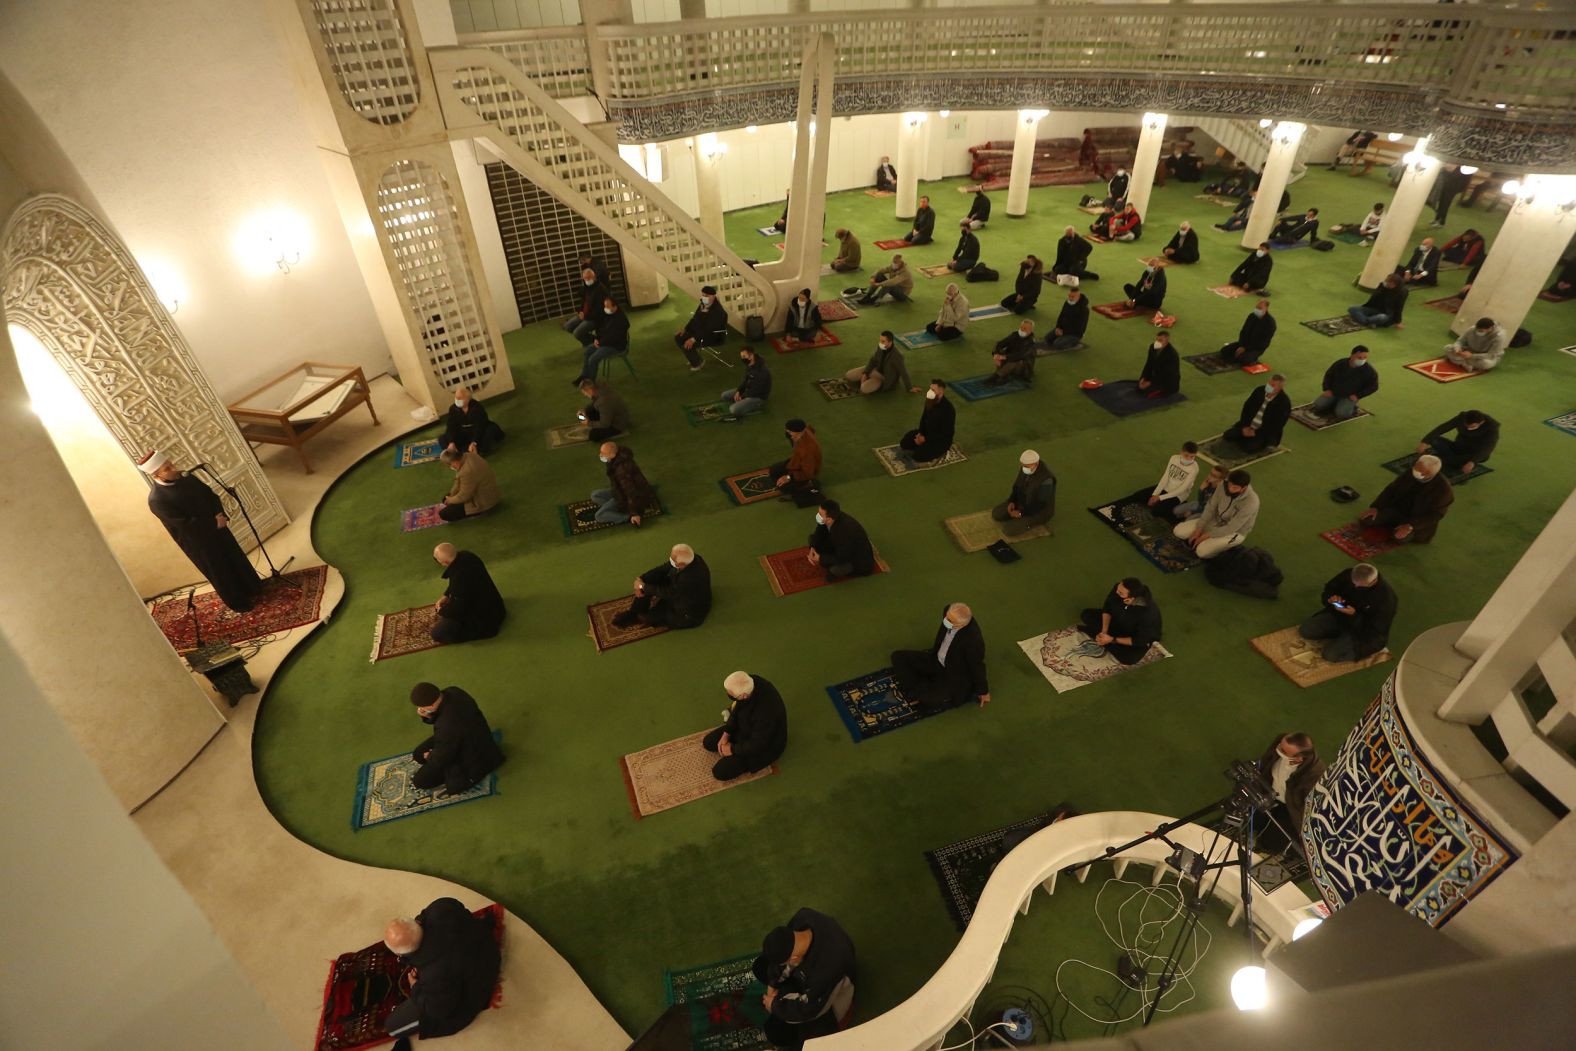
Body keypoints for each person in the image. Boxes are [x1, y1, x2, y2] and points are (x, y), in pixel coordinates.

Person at [138, 450, 262, 612]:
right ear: (156, 475)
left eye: (170, 464)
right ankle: (238, 603)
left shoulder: (187, 478)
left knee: (235, 557)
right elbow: (183, 524)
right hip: (198, 541)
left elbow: (211, 496)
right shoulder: (157, 499)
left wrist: (220, 515)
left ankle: (253, 587)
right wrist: (213, 523)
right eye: (167, 468)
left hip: (219, 526)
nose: (173, 468)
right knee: (219, 571)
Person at [381, 897, 502, 1047]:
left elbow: (439, 1010)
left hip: (480, 977)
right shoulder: (442, 906)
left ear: (401, 955)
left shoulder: (434, 977)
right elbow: (430, 915)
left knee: (392, 1026)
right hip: (485, 945)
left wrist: (415, 988)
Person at [753, 908, 856, 1050]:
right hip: (809, 978)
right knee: (761, 966)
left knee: (776, 1031)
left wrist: (775, 1005)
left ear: (793, 958)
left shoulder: (827, 969)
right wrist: (772, 984)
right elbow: (784, 961)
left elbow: (808, 1009)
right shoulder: (804, 917)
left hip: (827, 1002)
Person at [406, 681, 504, 797]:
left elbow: (441, 758)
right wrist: (428, 716)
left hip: (474, 759)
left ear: (431, 706)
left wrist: (430, 756)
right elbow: (445, 723)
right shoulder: (453, 691)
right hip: (471, 737)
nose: (420, 709)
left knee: (420, 781)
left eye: (422, 707)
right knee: (418, 754)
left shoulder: (446, 726)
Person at [891, 603, 989, 711]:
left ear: (962, 625)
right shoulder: (949, 611)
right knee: (898, 657)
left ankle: (922, 687)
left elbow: (977, 666)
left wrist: (983, 691)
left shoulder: (973, 641)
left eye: (951, 621)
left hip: (952, 673)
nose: (946, 621)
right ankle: (920, 687)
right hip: (935, 659)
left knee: (930, 701)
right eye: (947, 617)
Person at [1299, 563, 1398, 663]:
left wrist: (1354, 615)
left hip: (1364, 633)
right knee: (1306, 630)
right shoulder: (1348, 575)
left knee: (1330, 655)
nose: (1355, 586)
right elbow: (1329, 589)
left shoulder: (1386, 600)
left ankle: (1348, 642)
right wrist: (1331, 599)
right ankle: (1341, 637)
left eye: (1359, 585)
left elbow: (1374, 630)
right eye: (1353, 582)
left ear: (1371, 582)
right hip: (1340, 616)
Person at [703, 671, 788, 781]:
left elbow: (758, 744)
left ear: (744, 696)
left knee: (720, 772)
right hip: (747, 727)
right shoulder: (750, 682)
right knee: (709, 742)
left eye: (730, 694)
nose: (728, 694)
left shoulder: (765, 713)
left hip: (765, 747)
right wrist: (726, 734)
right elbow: (737, 709)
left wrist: (732, 749)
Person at [1253, 733, 1327, 854]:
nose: (1278, 749)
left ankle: (1263, 848)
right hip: (1269, 794)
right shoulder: (1281, 743)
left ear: (1299, 758)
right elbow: (1267, 760)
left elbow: (1307, 805)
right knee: (1252, 818)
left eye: (1283, 751)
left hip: (1291, 808)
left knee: (1273, 840)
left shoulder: (1315, 775)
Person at [614, 544, 712, 629]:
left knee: (650, 618)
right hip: (678, 591)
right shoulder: (690, 558)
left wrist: (643, 587)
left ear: (681, 564)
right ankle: (635, 611)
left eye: (673, 560)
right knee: (650, 579)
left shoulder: (689, 578)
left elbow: (669, 593)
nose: (671, 561)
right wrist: (641, 580)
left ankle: (645, 615)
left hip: (689, 612)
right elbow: (663, 568)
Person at [1361, 453, 1454, 543]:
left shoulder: (1443, 489)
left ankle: (1399, 527)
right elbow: (1391, 490)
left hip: (1415, 520)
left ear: (1430, 474)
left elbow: (1436, 515)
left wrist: (1411, 526)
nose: (1415, 471)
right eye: (1416, 466)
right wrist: (1376, 507)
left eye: (1420, 470)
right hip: (1396, 509)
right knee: (1367, 520)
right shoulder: (1411, 472)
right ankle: (1394, 524)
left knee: (1399, 538)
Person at [430, 544, 505, 645]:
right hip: (495, 605)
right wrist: (446, 595)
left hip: (486, 619)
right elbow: (456, 586)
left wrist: (440, 610)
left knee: (437, 633)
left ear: (446, 562)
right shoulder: (468, 556)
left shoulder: (460, 578)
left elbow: (457, 611)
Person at [1173, 469, 1258, 558]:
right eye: (1229, 484)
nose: (1230, 489)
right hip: (1216, 520)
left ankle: (1227, 547)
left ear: (1244, 488)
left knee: (1201, 551)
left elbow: (1232, 527)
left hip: (1235, 532)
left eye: (1235, 487)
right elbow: (1210, 507)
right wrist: (1199, 529)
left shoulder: (1251, 502)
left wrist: (1205, 536)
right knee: (1179, 531)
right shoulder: (1222, 485)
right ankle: (1210, 540)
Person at [1075, 578, 1163, 665]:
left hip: (1133, 635)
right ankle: (1104, 638)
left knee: (1129, 659)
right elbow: (1107, 608)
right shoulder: (1118, 590)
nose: (1116, 593)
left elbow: (1139, 639)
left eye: (1120, 593)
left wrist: (1111, 639)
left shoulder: (1147, 613)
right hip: (1117, 622)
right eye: (1117, 589)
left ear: (1132, 598)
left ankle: (1102, 638)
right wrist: (1103, 631)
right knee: (1086, 615)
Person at [807, 500, 875, 580]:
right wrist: (812, 547)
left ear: (829, 519)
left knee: (835, 570)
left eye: (821, 515)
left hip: (855, 559)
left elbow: (842, 557)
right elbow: (818, 533)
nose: (818, 516)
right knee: (812, 539)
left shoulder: (843, 532)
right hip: (840, 546)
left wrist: (820, 558)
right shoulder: (830, 518)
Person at [1221, 374, 1291, 452]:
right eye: (1269, 383)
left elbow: (1277, 425)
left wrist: (1256, 432)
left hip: (1264, 432)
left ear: (1280, 388)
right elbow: (1246, 409)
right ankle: (1246, 437)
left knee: (1249, 448)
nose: (1269, 386)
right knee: (1228, 435)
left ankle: (1263, 442)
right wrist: (1245, 426)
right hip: (1248, 425)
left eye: (1273, 385)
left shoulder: (1283, 402)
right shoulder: (1259, 391)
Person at [592, 441, 655, 527]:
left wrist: (634, 513)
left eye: (603, 453)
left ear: (611, 454)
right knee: (595, 495)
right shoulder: (615, 459)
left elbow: (630, 492)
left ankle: (627, 516)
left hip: (630, 497)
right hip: (619, 492)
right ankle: (616, 508)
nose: (600, 455)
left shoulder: (622, 471)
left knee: (599, 516)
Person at [1418, 409, 1499, 476]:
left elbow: (1488, 447)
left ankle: (1448, 461)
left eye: (1472, 427)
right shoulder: (1462, 417)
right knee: (1434, 440)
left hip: (1472, 454)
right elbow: (1443, 427)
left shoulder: (1492, 428)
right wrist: (1424, 442)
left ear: (1481, 423)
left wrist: (1473, 462)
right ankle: (1453, 461)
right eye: (1466, 426)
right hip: (1458, 446)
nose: (1468, 429)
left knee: (1449, 461)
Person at [993, 449, 1057, 534]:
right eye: (1023, 465)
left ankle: (1031, 522)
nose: (1024, 468)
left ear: (1036, 463)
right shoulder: (1027, 468)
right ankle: (1018, 516)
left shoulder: (1047, 479)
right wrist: (1012, 501)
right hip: (1022, 503)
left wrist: (1021, 513)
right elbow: (1016, 486)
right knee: (997, 514)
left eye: (1026, 466)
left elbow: (1040, 504)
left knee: (1008, 530)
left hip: (1037, 511)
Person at [1134, 441, 1199, 519]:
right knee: (1138, 496)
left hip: (1179, 495)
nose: (1189, 459)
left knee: (1156, 511)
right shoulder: (1174, 458)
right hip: (1166, 488)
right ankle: (1167, 504)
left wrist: (1159, 498)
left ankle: (1182, 507)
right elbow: (1165, 476)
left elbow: (1182, 489)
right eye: (1186, 455)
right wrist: (1155, 494)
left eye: (1192, 457)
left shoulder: (1194, 469)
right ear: (1181, 452)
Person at [573, 295, 630, 383]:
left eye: (607, 306)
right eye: (604, 306)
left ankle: (590, 382)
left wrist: (600, 342)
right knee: (588, 352)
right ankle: (584, 376)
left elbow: (614, 338)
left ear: (615, 307)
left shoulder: (621, 320)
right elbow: (602, 330)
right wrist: (597, 339)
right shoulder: (608, 315)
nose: (605, 308)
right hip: (605, 343)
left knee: (593, 359)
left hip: (616, 346)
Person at [1311, 346, 1379, 419]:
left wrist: (1358, 395)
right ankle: (1337, 404)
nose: (1362, 360)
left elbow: (1374, 386)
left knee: (1342, 414)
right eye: (1359, 357)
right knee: (1318, 405)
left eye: (1365, 358)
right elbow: (1329, 375)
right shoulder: (1340, 363)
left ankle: (1353, 408)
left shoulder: (1369, 371)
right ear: (1352, 355)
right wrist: (1327, 389)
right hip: (1334, 392)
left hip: (1349, 397)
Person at [674, 285, 729, 370]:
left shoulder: (718, 311)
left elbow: (709, 330)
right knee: (679, 337)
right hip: (700, 331)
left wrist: (693, 339)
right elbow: (694, 318)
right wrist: (685, 329)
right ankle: (693, 357)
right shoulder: (703, 304)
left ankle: (698, 363)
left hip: (713, 336)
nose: (704, 297)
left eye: (706, 296)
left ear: (713, 296)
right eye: (703, 295)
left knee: (687, 342)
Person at [843, 331, 917, 395]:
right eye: (880, 340)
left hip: (882, 377)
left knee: (864, 389)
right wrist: (865, 373)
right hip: (874, 370)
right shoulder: (881, 347)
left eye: (883, 341)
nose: (880, 343)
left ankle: (870, 380)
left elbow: (903, 372)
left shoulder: (897, 356)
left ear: (890, 342)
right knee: (849, 375)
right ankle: (868, 377)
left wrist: (909, 388)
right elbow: (873, 360)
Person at [438, 447, 499, 522]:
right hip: (484, 492)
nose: (449, 467)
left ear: (455, 463)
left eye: (448, 465)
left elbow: (464, 496)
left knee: (444, 514)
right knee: (445, 498)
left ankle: (478, 512)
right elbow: (458, 481)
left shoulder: (467, 471)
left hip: (483, 502)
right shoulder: (468, 456)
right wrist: (451, 495)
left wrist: (451, 500)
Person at [900, 379, 956, 462]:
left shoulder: (948, 409)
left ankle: (924, 448)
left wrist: (925, 439)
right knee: (905, 442)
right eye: (930, 389)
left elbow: (946, 433)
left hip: (940, 440)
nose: (930, 392)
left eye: (933, 390)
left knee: (919, 455)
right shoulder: (930, 401)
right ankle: (922, 446)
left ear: (941, 391)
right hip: (927, 434)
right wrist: (920, 434)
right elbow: (923, 419)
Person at [771, 418, 822, 502]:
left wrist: (788, 477)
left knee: (784, 487)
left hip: (805, 471)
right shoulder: (804, 430)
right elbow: (811, 429)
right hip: (797, 461)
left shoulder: (807, 451)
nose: (787, 432)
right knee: (774, 470)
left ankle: (805, 486)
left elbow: (808, 473)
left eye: (790, 431)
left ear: (798, 432)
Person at [441, 386, 498, 455]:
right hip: (463, 432)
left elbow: (480, 426)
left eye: (460, 398)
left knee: (489, 431)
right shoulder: (453, 409)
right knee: (442, 438)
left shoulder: (477, 407)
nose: (457, 400)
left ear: (467, 399)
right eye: (456, 397)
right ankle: (458, 451)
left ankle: (473, 449)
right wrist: (451, 442)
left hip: (476, 432)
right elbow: (450, 426)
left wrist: (474, 442)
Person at [1218, 299, 1276, 365]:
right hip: (1244, 343)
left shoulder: (1270, 323)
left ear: (1266, 309)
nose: (1257, 310)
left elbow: (1263, 342)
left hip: (1256, 348)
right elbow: (1243, 331)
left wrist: (1245, 348)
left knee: (1244, 359)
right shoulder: (1252, 316)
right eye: (1256, 307)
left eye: (1260, 308)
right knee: (1224, 350)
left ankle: (1253, 358)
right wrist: (1242, 345)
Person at [721, 346, 772, 417]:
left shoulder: (762, 371)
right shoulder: (749, 365)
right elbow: (745, 380)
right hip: (749, 390)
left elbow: (757, 390)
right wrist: (739, 391)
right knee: (724, 396)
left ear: (751, 356)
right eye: (741, 356)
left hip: (758, 397)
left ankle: (758, 406)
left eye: (744, 356)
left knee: (733, 409)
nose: (742, 359)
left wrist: (743, 396)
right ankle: (744, 403)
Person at [1444, 316, 1508, 372]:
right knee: (1448, 348)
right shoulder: (1473, 329)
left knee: (1486, 363)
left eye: (1481, 331)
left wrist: (1472, 356)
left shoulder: (1499, 336)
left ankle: (1459, 361)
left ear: (1490, 329)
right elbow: (1460, 341)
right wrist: (1457, 348)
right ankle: (1465, 363)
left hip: (1484, 357)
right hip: (1469, 350)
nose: (1478, 332)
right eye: (1477, 330)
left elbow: (1491, 355)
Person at [563, 266, 608, 344]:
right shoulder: (587, 287)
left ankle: (595, 342)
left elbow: (600, 310)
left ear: (594, 277)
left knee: (577, 333)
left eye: (588, 278)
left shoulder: (601, 289)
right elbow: (583, 301)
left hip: (595, 318)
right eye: (585, 278)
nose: (586, 280)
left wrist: (586, 316)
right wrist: (580, 311)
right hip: (585, 314)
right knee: (568, 326)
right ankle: (593, 340)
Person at [989, 319, 1037, 385]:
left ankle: (997, 376)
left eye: (1025, 328)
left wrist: (1004, 357)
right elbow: (999, 344)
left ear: (1030, 330)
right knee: (1001, 353)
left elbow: (1020, 355)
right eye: (1021, 327)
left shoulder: (1031, 342)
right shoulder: (1015, 335)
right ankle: (1001, 376)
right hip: (1010, 361)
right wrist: (996, 354)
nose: (1022, 330)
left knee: (1015, 360)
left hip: (1023, 368)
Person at [1136, 331, 1180, 398]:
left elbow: (1166, 373)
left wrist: (1150, 382)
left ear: (1166, 341)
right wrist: (1143, 377)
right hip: (1156, 377)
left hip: (1167, 381)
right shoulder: (1152, 347)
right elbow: (1148, 364)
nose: (1157, 342)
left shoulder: (1172, 355)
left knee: (1147, 393)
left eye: (1160, 340)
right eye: (1156, 339)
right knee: (1138, 388)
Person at [1050, 285, 1090, 350]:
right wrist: (1058, 327)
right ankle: (1063, 338)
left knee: (1057, 344)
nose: (1070, 298)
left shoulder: (1083, 310)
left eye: (1073, 297)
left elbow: (1080, 327)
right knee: (1048, 339)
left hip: (1075, 334)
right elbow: (1061, 315)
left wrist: (1064, 332)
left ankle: (1075, 342)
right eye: (1069, 296)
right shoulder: (1067, 303)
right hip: (1063, 329)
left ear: (1078, 297)